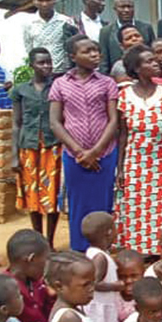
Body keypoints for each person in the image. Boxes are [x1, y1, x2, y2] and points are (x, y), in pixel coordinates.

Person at [48, 35, 120, 252]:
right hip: (74, 156)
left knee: (103, 202)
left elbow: (114, 120)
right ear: (73, 56)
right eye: (87, 51)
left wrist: (96, 151)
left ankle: (102, 250)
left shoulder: (107, 83)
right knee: (78, 204)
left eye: (96, 50)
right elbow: (55, 122)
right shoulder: (60, 84)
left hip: (105, 154)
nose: (94, 54)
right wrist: (80, 152)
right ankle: (79, 249)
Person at [116, 45, 162, 256]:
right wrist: (120, 169)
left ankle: (161, 250)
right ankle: (138, 251)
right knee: (136, 207)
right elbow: (123, 134)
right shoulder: (125, 95)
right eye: (149, 61)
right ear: (136, 69)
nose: (156, 63)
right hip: (135, 160)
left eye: (155, 60)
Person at [11, 48, 62, 247]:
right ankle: (38, 239)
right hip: (29, 146)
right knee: (32, 194)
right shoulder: (20, 90)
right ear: (31, 65)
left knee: (52, 195)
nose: (46, 66)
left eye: (49, 62)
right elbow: (16, 122)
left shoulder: (57, 87)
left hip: (52, 146)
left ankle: (49, 242)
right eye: (41, 63)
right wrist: (14, 156)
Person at [81, 212, 124, 322]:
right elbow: (93, 284)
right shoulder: (100, 258)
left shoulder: (94, 252)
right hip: (99, 308)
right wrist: (114, 286)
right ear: (109, 232)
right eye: (115, 227)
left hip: (103, 306)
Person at [4, 229, 54, 322]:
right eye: (45, 261)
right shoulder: (5, 290)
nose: (47, 266)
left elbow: (48, 313)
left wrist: (52, 297)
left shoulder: (37, 282)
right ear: (31, 259)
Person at [22, 0, 78, 76]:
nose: (44, 4)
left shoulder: (66, 21)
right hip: (41, 74)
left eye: (48, 0)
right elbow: (30, 50)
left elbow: (73, 48)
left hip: (63, 74)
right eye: (40, 0)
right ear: (34, 0)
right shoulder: (28, 24)